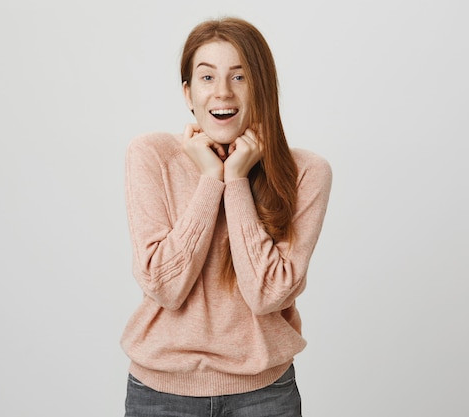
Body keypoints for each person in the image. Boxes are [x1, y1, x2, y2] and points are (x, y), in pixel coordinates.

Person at [121, 16, 332, 417]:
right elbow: (165, 286)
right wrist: (209, 180)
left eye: (239, 77)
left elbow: (267, 294)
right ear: (188, 93)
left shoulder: (306, 172)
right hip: (160, 393)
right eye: (206, 78)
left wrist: (235, 179)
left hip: (264, 395)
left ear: (261, 88)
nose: (222, 93)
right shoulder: (151, 155)